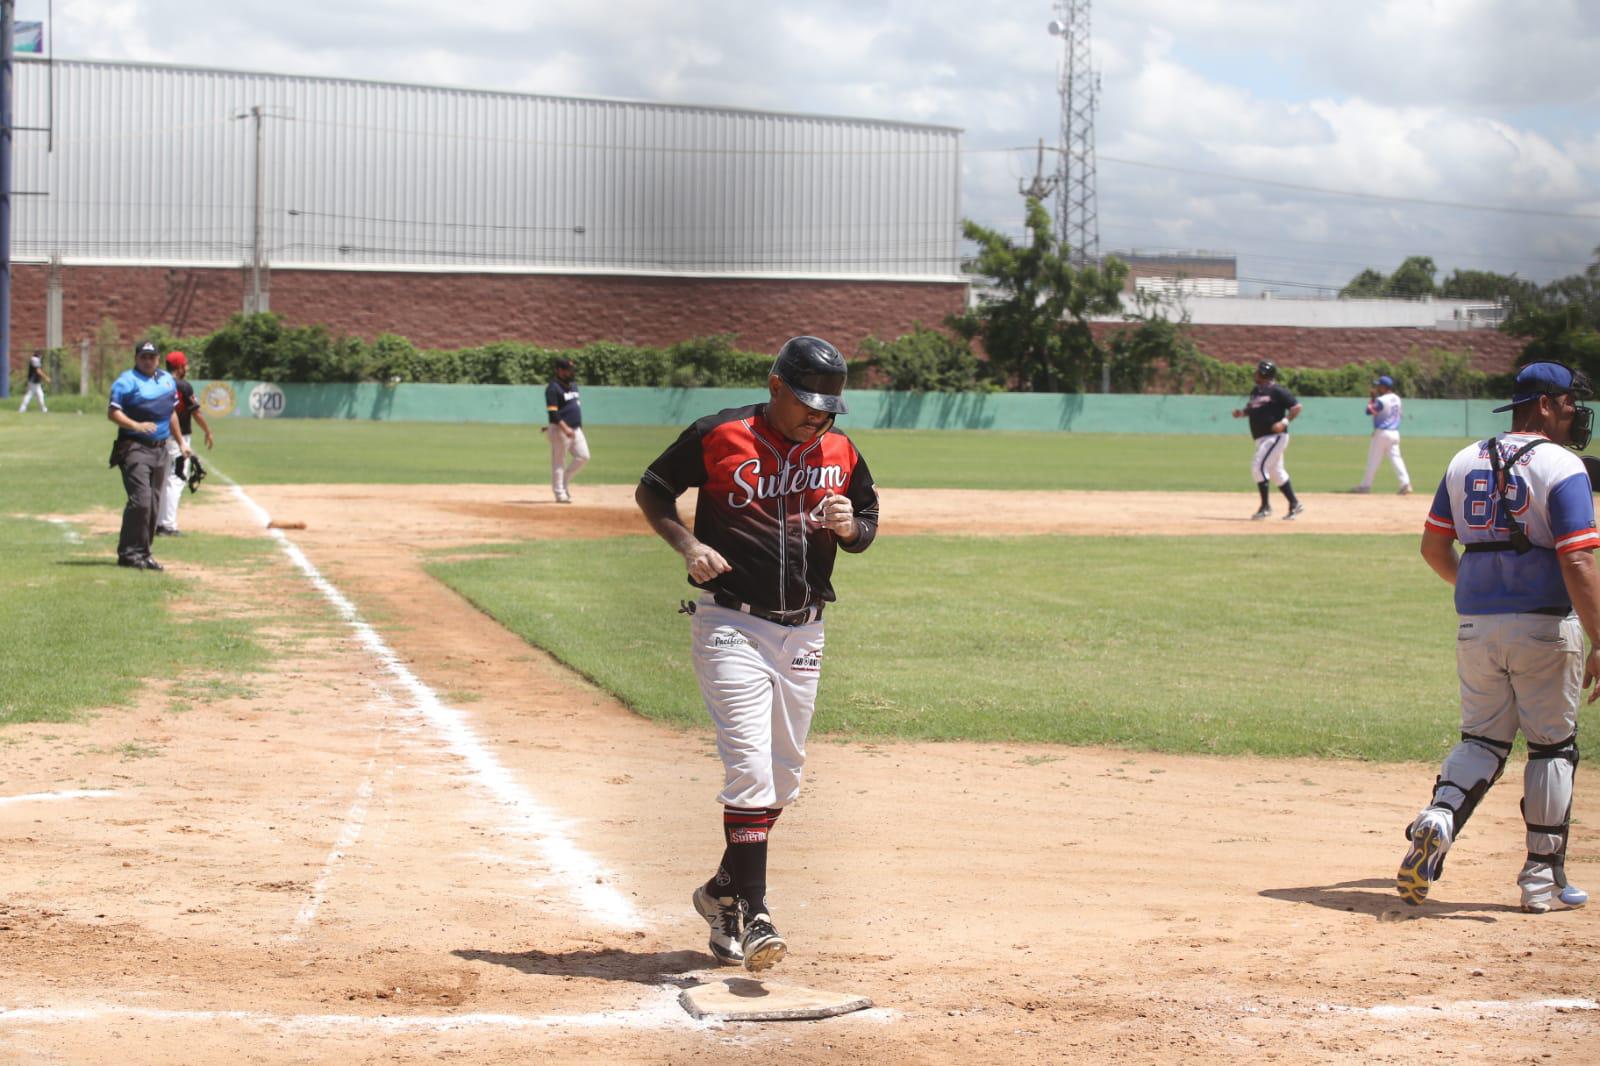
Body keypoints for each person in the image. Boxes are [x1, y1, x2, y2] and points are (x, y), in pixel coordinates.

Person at [635, 335, 880, 973]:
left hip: (805, 632)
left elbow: (867, 523)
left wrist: (849, 526)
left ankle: (721, 892)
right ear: (775, 387)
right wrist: (689, 546)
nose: (817, 418)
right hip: (730, 623)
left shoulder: (840, 450)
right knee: (750, 769)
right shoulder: (719, 435)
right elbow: (653, 491)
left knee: (784, 778)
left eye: (827, 409)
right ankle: (757, 913)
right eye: (807, 405)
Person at [1399, 361, 1597, 913]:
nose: (1575, 414)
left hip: (1476, 626)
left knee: (1482, 741)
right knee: (1552, 747)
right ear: (1544, 404)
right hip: (1545, 624)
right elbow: (1578, 559)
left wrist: (1481, 594)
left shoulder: (1465, 459)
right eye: (1568, 404)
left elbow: (1433, 548)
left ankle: (1439, 816)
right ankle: (1541, 878)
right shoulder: (1562, 465)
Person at [107, 341, 189, 571]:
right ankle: (128, 553)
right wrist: (136, 425)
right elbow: (113, 412)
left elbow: (171, 413)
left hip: (161, 449)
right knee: (141, 500)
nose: (147, 361)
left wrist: (181, 442)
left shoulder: (167, 380)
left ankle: (143, 553)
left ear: (158, 359)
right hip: (134, 447)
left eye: (151, 357)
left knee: (153, 504)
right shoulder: (127, 381)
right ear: (136, 358)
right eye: (143, 356)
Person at [1231, 359, 1305, 520]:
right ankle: (1294, 503)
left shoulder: (1277, 391)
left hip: (1275, 437)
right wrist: (1241, 414)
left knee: (1258, 466)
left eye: (1258, 371)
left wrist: (1283, 422)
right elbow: (1252, 408)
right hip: (1261, 438)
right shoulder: (1256, 391)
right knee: (1275, 472)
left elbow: (1296, 407)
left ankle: (1265, 507)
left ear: (1264, 373)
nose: (1255, 373)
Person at [156, 351, 214, 537]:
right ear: (180, 367)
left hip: (160, 437)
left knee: (163, 480)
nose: (186, 368)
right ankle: (167, 525)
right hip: (178, 438)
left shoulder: (159, 382)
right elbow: (196, 412)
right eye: (185, 365)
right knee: (176, 479)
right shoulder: (183, 386)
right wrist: (207, 431)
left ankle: (158, 522)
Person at [1352, 374, 1412, 495]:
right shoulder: (1397, 398)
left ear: (1384, 387)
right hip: (1395, 433)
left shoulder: (1382, 400)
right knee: (1396, 459)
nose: (1377, 387)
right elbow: (1399, 414)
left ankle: (1365, 486)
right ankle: (1405, 484)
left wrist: (1372, 399)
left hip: (1382, 433)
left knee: (1373, 460)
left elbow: (1369, 411)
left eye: (1379, 385)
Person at [544, 356, 587, 503]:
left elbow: (572, 407)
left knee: (583, 456)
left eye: (571, 369)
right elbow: (553, 413)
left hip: (576, 429)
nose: (570, 372)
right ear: (559, 370)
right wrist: (564, 428)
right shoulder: (553, 388)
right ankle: (559, 493)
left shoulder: (573, 385)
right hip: (561, 430)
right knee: (559, 462)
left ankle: (564, 481)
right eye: (567, 370)